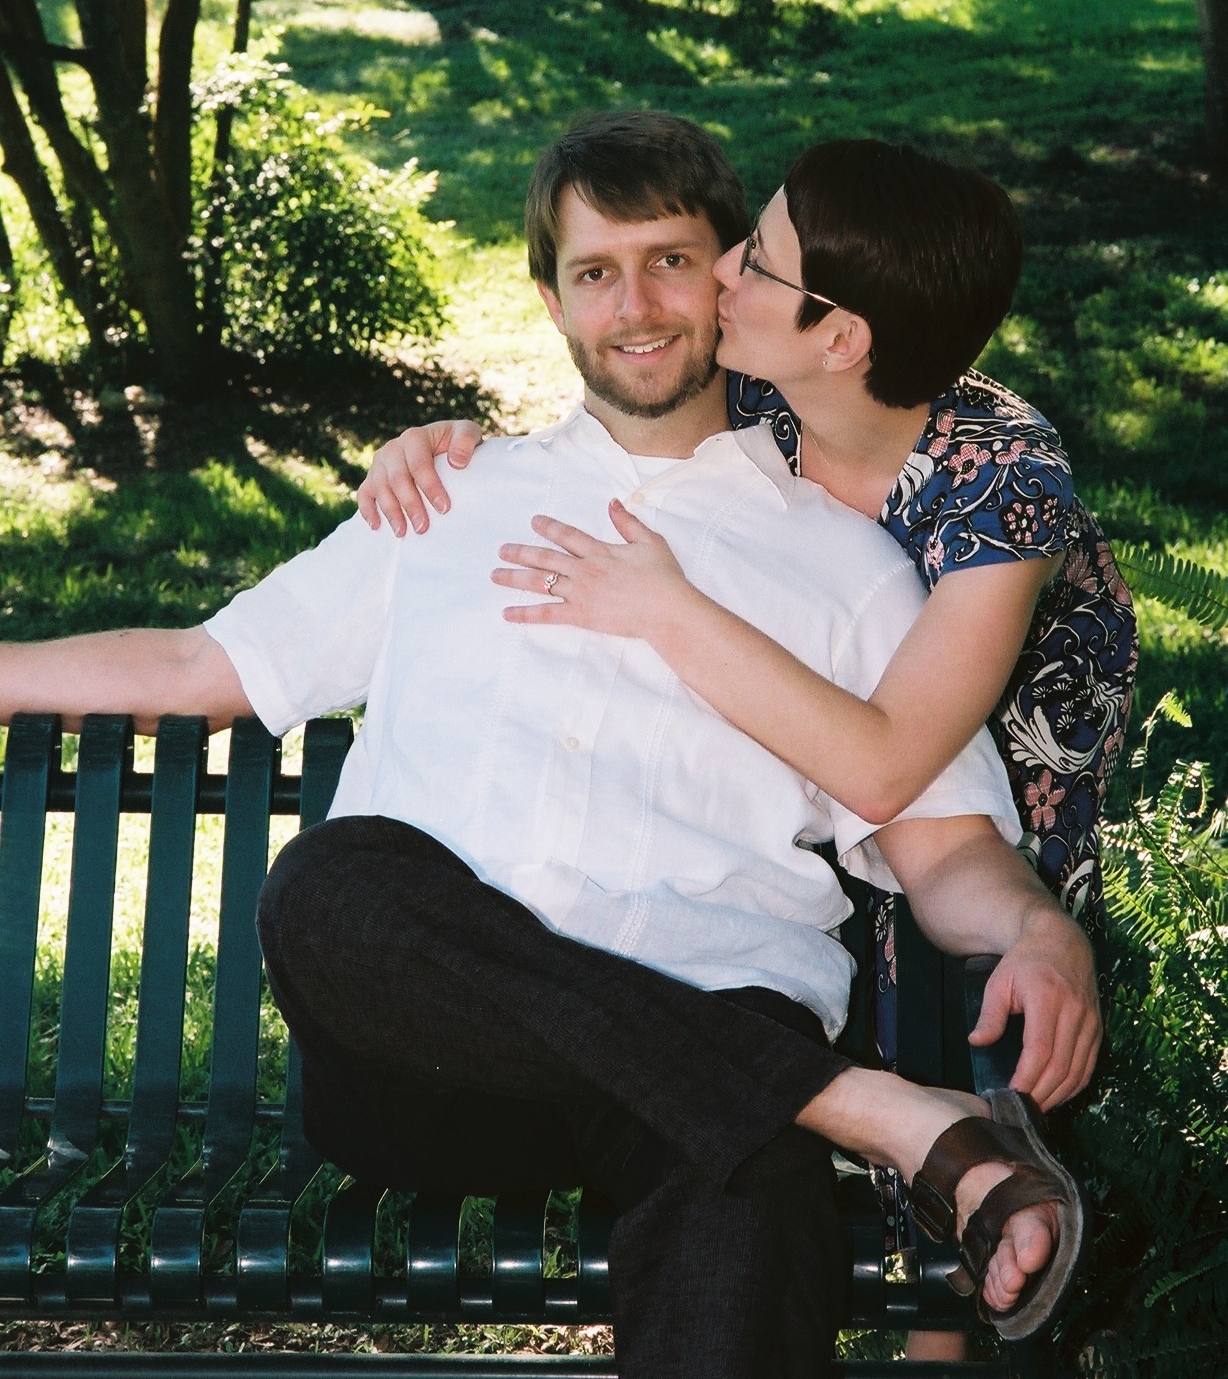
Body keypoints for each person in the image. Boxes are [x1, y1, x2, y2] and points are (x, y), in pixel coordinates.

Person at [0, 114, 1099, 1379]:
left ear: (727, 273)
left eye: (670, 260)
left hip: (713, 1029)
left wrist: (1036, 929)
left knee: (745, 1194)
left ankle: (808, 1105)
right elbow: (203, 670)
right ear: (550, 300)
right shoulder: (445, 499)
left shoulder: (846, 564)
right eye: (594, 271)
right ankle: (864, 1110)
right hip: (431, 1065)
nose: (635, 305)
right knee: (333, 887)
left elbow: (942, 845)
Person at [359, 119, 1134, 1366]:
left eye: (753, 261)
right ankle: (888, 1120)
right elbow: (629, 412)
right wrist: (444, 448)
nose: (718, 274)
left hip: (1003, 692)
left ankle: (945, 1301)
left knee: (936, 978)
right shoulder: (756, 378)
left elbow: (895, 777)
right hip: (544, 1024)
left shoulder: (998, 487)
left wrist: (664, 609)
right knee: (343, 887)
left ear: (839, 338)